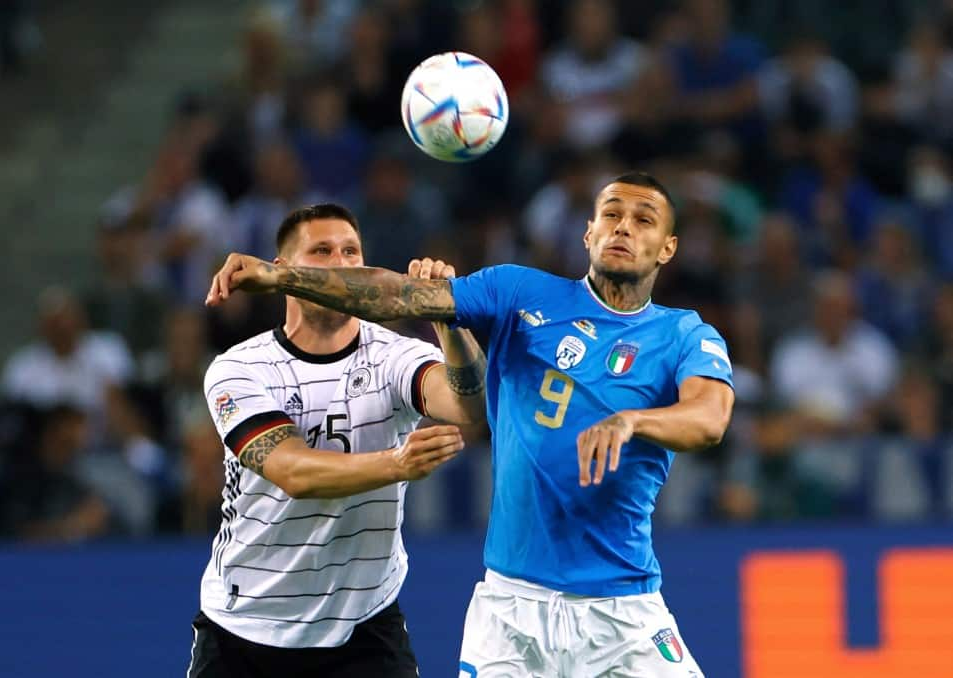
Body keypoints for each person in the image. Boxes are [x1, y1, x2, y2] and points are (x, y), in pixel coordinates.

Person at [207, 173, 736, 676]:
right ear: (588, 232)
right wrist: (279, 276)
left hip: (624, 609)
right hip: (512, 609)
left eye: (644, 220)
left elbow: (710, 419)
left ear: (668, 247)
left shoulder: (683, 334)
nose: (623, 227)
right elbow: (396, 293)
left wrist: (631, 422)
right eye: (611, 214)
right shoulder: (518, 293)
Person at [189, 203, 487, 677]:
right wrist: (396, 464)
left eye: (352, 251)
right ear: (282, 273)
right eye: (323, 251)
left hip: (363, 629)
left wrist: (447, 316)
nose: (343, 264)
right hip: (244, 631)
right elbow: (293, 472)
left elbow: (468, 405)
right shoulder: (238, 368)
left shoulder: (395, 356)